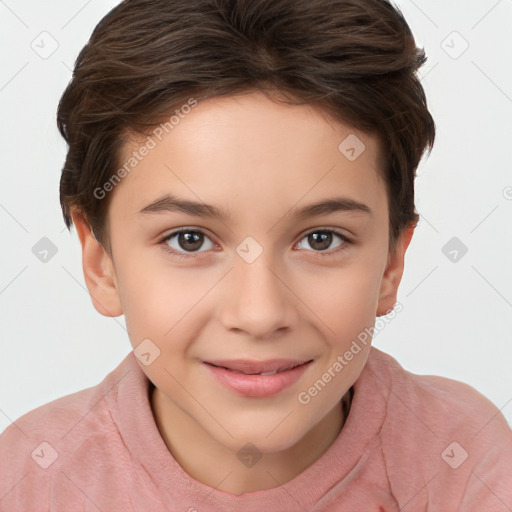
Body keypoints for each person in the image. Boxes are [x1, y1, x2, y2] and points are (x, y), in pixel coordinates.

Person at [1, 0, 511, 510]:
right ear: (100, 262)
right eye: (190, 240)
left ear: (391, 264)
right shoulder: (30, 479)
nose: (259, 314)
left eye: (321, 239)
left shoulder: (464, 462)